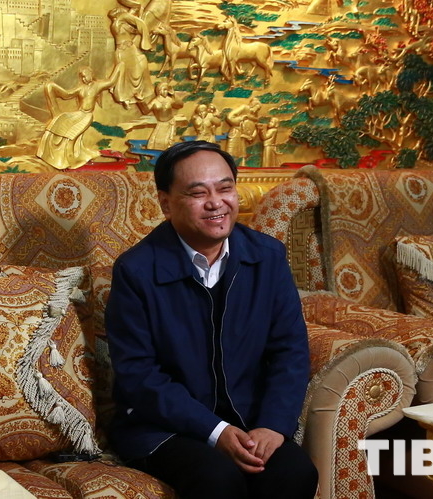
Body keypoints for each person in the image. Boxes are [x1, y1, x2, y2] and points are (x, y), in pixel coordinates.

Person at [105, 140, 318, 499]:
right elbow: (138, 375)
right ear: (165, 203)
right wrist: (215, 431)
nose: (216, 202)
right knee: (217, 479)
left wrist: (272, 425)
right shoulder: (136, 270)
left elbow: (290, 349)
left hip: (249, 420)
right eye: (197, 193)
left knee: (294, 473)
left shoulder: (267, 256)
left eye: (225, 188)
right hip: (164, 426)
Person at [36, 66, 117, 170]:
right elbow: (67, 94)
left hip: (86, 116)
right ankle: (55, 156)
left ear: (90, 74)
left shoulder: (97, 86)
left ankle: (71, 160)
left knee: (72, 137)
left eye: (85, 76)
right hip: (78, 114)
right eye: (82, 77)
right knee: (59, 121)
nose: (83, 79)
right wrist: (53, 87)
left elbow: (111, 81)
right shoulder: (81, 88)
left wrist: (120, 66)